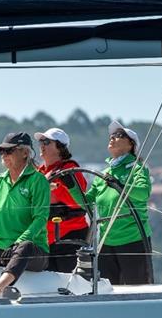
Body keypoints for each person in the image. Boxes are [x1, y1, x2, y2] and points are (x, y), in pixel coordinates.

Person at [0, 132, 50, 297]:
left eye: (9, 151)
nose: (4, 155)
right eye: (2, 152)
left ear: (25, 153)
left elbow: (40, 219)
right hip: (0, 248)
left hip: (32, 251)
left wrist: (18, 243)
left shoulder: (38, 181)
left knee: (24, 247)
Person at [85, 120, 153, 285]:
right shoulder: (104, 174)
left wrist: (120, 185)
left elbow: (143, 193)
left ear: (131, 145)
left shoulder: (137, 168)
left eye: (119, 135)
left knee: (137, 293)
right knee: (106, 292)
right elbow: (85, 202)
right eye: (112, 135)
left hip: (133, 240)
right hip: (106, 242)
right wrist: (70, 187)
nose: (113, 138)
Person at [35, 127, 89, 272]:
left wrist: (54, 188)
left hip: (69, 236)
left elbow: (80, 203)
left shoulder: (70, 169)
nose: (41, 145)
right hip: (44, 238)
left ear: (60, 147)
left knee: (69, 283)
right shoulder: (39, 171)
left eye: (46, 141)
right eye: (40, 141)